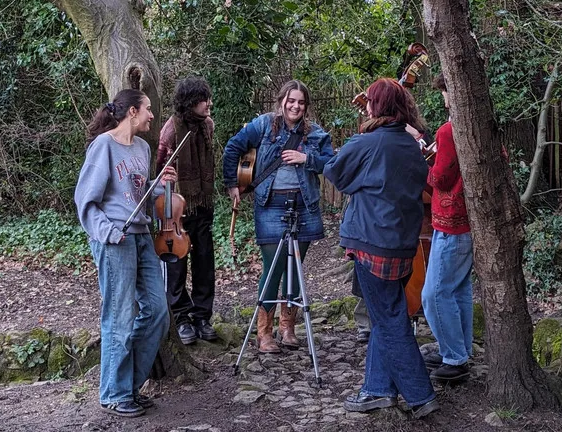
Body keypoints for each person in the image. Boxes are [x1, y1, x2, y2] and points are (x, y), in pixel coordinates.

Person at [323, 78, 439, 419]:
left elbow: (335, 173)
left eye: (370, 101)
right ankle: (377, 390)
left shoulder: (367, 143)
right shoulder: (412, 145)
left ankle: (421, 395)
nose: (367, 106)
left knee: (390, 320)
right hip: (404, 246)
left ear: (377, 106)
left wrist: (362, 182)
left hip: (372, 245)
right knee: (383, 315)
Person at [74, 89, 176, 418]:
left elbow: (137, 191)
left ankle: (130, 385)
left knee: (158, 312)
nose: (151, 115)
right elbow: (86, 201)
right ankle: (114, 393)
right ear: (132, 111)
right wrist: (107, 233)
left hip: (142, 234)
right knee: (119, 316)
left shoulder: (144, 147)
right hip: (114, 238)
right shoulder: (103, 146)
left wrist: (160, 184)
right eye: (147, 110)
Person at [223, 80, 334, 353]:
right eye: (291, 100)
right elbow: (233, 148)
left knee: (295, 267)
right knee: (273, 267)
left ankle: (288, 327)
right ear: (281, 101)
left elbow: (331, 164)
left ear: (306, 106)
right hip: (271, 204)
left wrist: (305, 159)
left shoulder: (315, 133)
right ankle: (264, 333)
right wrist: (232, 184)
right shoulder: (262, 125)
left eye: (301, 102)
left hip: (304, 204)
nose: (295, 106)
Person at [157, 77, 217, 345]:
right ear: (192, 102)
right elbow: (158, 164)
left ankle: (202, 316)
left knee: (205, 260)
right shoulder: (171, 129)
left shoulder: (208, 126)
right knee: (177, 263)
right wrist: (165, 176)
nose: (209, 104)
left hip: (202, 202)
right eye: (205, 99)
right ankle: (181, 317)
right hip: (177, 207)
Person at [421, 73, 472, 381]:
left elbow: (439, 178)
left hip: (451, 221)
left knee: (434, 293)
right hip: (469, 221)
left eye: (444, 92)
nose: (444, 97)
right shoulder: (479, 125)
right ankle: (458, 350)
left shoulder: (449, 130)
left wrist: (425, 162)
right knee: (458, 290)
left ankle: (454, 358)